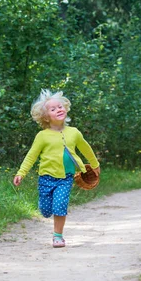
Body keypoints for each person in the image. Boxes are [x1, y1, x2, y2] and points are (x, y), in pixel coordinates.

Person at [13, 89, 100, 248]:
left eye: (60, 107)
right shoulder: (42, 136)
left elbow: (86, 149)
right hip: (46, 178)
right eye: (53, 109)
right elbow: (31, 156)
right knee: (46, 211)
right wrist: (21, 173)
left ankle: (58, 236)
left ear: (65, 109)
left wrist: (95, 165)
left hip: (66, 177)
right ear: (46, 117)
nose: (58, 110)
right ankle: (44, 205)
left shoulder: (74, 133)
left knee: (60, 206)